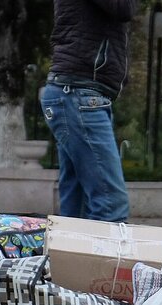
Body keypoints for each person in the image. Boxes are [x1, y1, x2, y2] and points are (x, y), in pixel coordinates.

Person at [40, 0, 137, 223]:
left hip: (76, 94)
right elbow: (124, 8)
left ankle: (71, 257)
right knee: (111, 205)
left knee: (77, 211)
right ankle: (104, 259)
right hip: (78, 94)